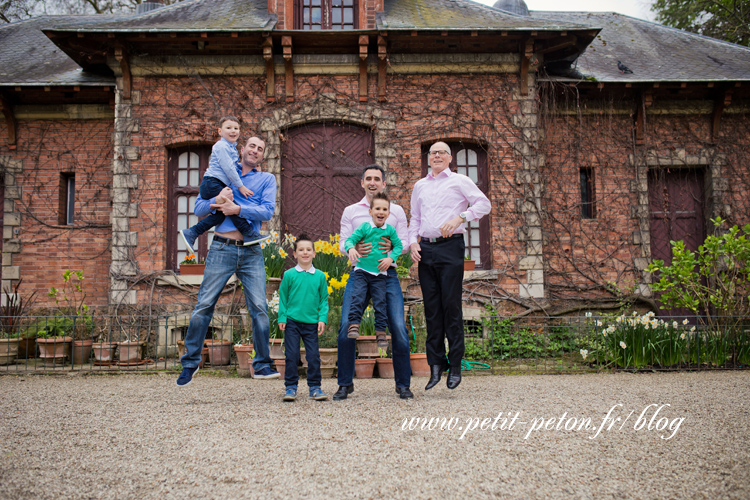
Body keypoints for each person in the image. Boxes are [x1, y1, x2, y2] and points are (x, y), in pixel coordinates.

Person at [176, 136, 280, 386]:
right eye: (252, 146)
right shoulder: (219, 173)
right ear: (242, 150)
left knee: (259, 309)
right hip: (221, 248)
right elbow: (199, 208)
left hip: (251, 250)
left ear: (262, 156)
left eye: (260, 149)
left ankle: (262, 365)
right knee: (204, 305)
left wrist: (238, 210)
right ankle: (190, 364)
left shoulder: (266, 179)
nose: (255, 151)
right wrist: (218, 200)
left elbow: (267, 211)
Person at [408, 142, 491, 391]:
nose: (437, 155)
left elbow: (484, 204)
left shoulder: (460, 181)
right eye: (433, 152)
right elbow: (415, 219)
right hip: (426, 250)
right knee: (432, 309)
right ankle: (436, 365)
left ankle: (455, 364)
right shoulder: (419, 186)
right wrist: (412, 242)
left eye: (442, 152)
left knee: (451, 307)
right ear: (428, 158)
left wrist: (460, 217)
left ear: (449, 157)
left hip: (450, 247)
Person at [333, 165, 413, 400]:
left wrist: (392, 251)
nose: (372, 182)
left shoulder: (396, 211)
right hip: (359, 273)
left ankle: (403, 384)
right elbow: (342, 242)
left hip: (387, 276)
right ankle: (345, 384)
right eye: (368, 178)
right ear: (362, 182)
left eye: (377, 178)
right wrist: (353, 247)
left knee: (398, 327)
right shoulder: (351, 211)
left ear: (383, 184)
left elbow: (405, 242)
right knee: (347, 325)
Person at [179, 116, 266, 256]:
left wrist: (254, 170)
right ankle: (248, 232)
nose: (233, 131)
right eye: (228, 127)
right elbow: (229, 169)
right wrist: (240, 187)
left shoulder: (232, 149)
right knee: (232, 204)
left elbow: (233, 166)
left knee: (220, 215)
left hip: (216, 183)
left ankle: (192, 232)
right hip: (212, 183)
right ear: (220, 131)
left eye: (236, 128)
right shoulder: (221, 146)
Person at [344, 192, 403, 348]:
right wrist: (351, 248)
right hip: (362, 271)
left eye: (384, 209)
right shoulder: (364, 227)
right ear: (370, 212)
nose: (381, 212)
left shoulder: (389, 230)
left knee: (380, 303)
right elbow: (349, 240)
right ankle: (354, 325)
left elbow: (399, 246)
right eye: (377, 208)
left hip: (380, 274)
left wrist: (391, 258)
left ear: (389, 213)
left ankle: (380, 333)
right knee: (358, 297)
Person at [278, 235, 330, 402]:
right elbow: (283, 297)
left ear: (314, 253)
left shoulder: (320, 276)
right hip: (292, 322)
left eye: (308, 249)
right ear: (295, 254)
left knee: (313, 356)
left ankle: (315, 387)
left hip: (311, 323)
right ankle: (291, 388)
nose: (305, 252)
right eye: (301, 250)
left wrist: (322, 318)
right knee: (291, 355)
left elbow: (323, 299)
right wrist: (282, 317)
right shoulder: (289, 275)